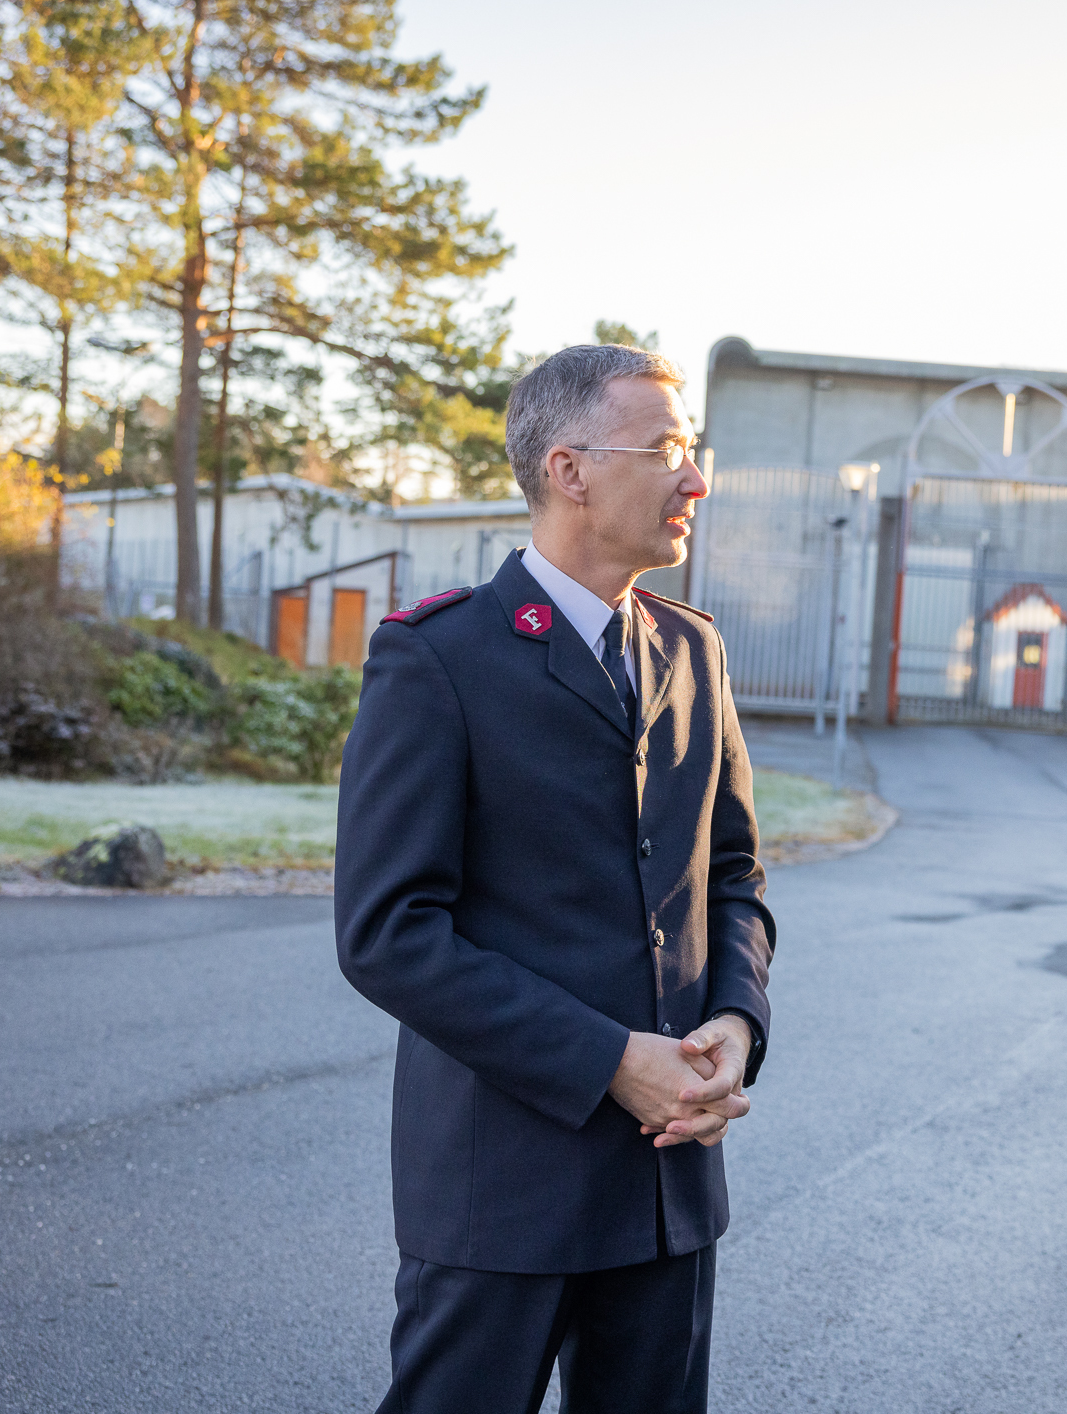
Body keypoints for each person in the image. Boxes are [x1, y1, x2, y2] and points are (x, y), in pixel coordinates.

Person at [336, 343, 774, 1414]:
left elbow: (731, 874)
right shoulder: (437, 658)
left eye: (694, 450)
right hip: (503, 1190)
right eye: (665, 450)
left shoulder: (694, 651)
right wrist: (611, 1060)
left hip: (666, 1189)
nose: (694, 479)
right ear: (569, 470)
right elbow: (389, 933)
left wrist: (736, 1020)